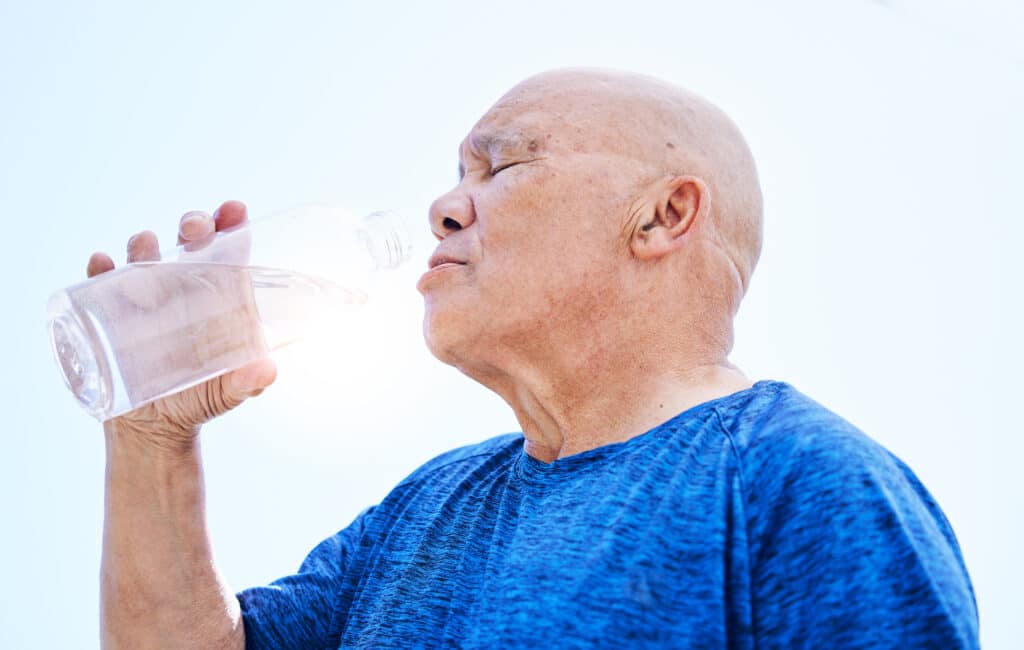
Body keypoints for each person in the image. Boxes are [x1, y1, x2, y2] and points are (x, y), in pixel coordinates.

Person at [89, 69, 979, 648]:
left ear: (664, 217)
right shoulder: (426, 509)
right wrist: (149, 436)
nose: (445, 205)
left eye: (501, 167)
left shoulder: (797, 480)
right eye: (456, 174)